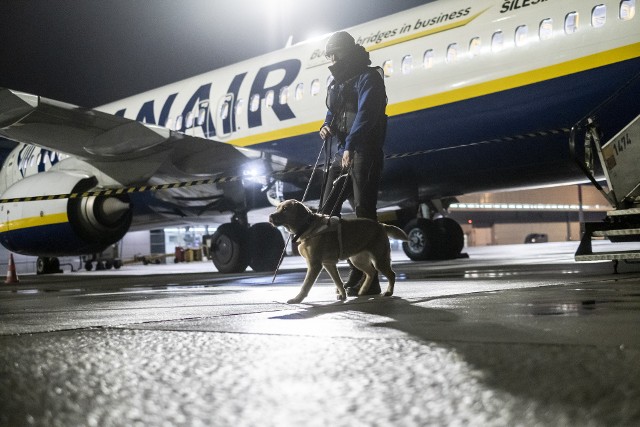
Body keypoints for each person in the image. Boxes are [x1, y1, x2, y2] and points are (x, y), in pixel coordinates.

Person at [318, 31, 388, 296]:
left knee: (364, 213)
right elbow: (332, 111)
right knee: (327, 210)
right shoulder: (337, 83)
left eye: (334, 55)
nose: (331, 60)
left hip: (363, 152)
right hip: (341, 151)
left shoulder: (369, 78)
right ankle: (350, 267)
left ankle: (368, 277)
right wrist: (326, 126)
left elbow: (367, 115)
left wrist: (351, 146)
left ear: (345, 53)